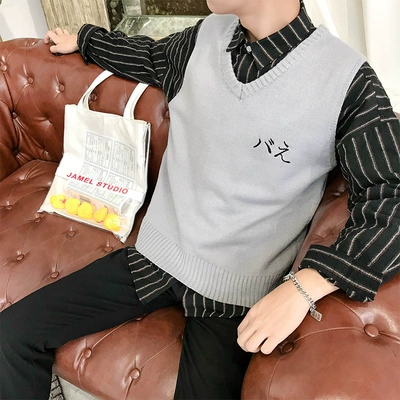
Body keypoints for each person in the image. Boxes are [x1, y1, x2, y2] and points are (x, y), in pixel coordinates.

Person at [1, 0, 399, 398]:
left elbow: (389, 197)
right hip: (152, 259)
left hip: (234, 296)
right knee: (10, 335)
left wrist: (305, 286)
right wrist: (86, 39)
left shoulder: (347, 81)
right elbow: (149, 56)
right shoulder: (205, 37)